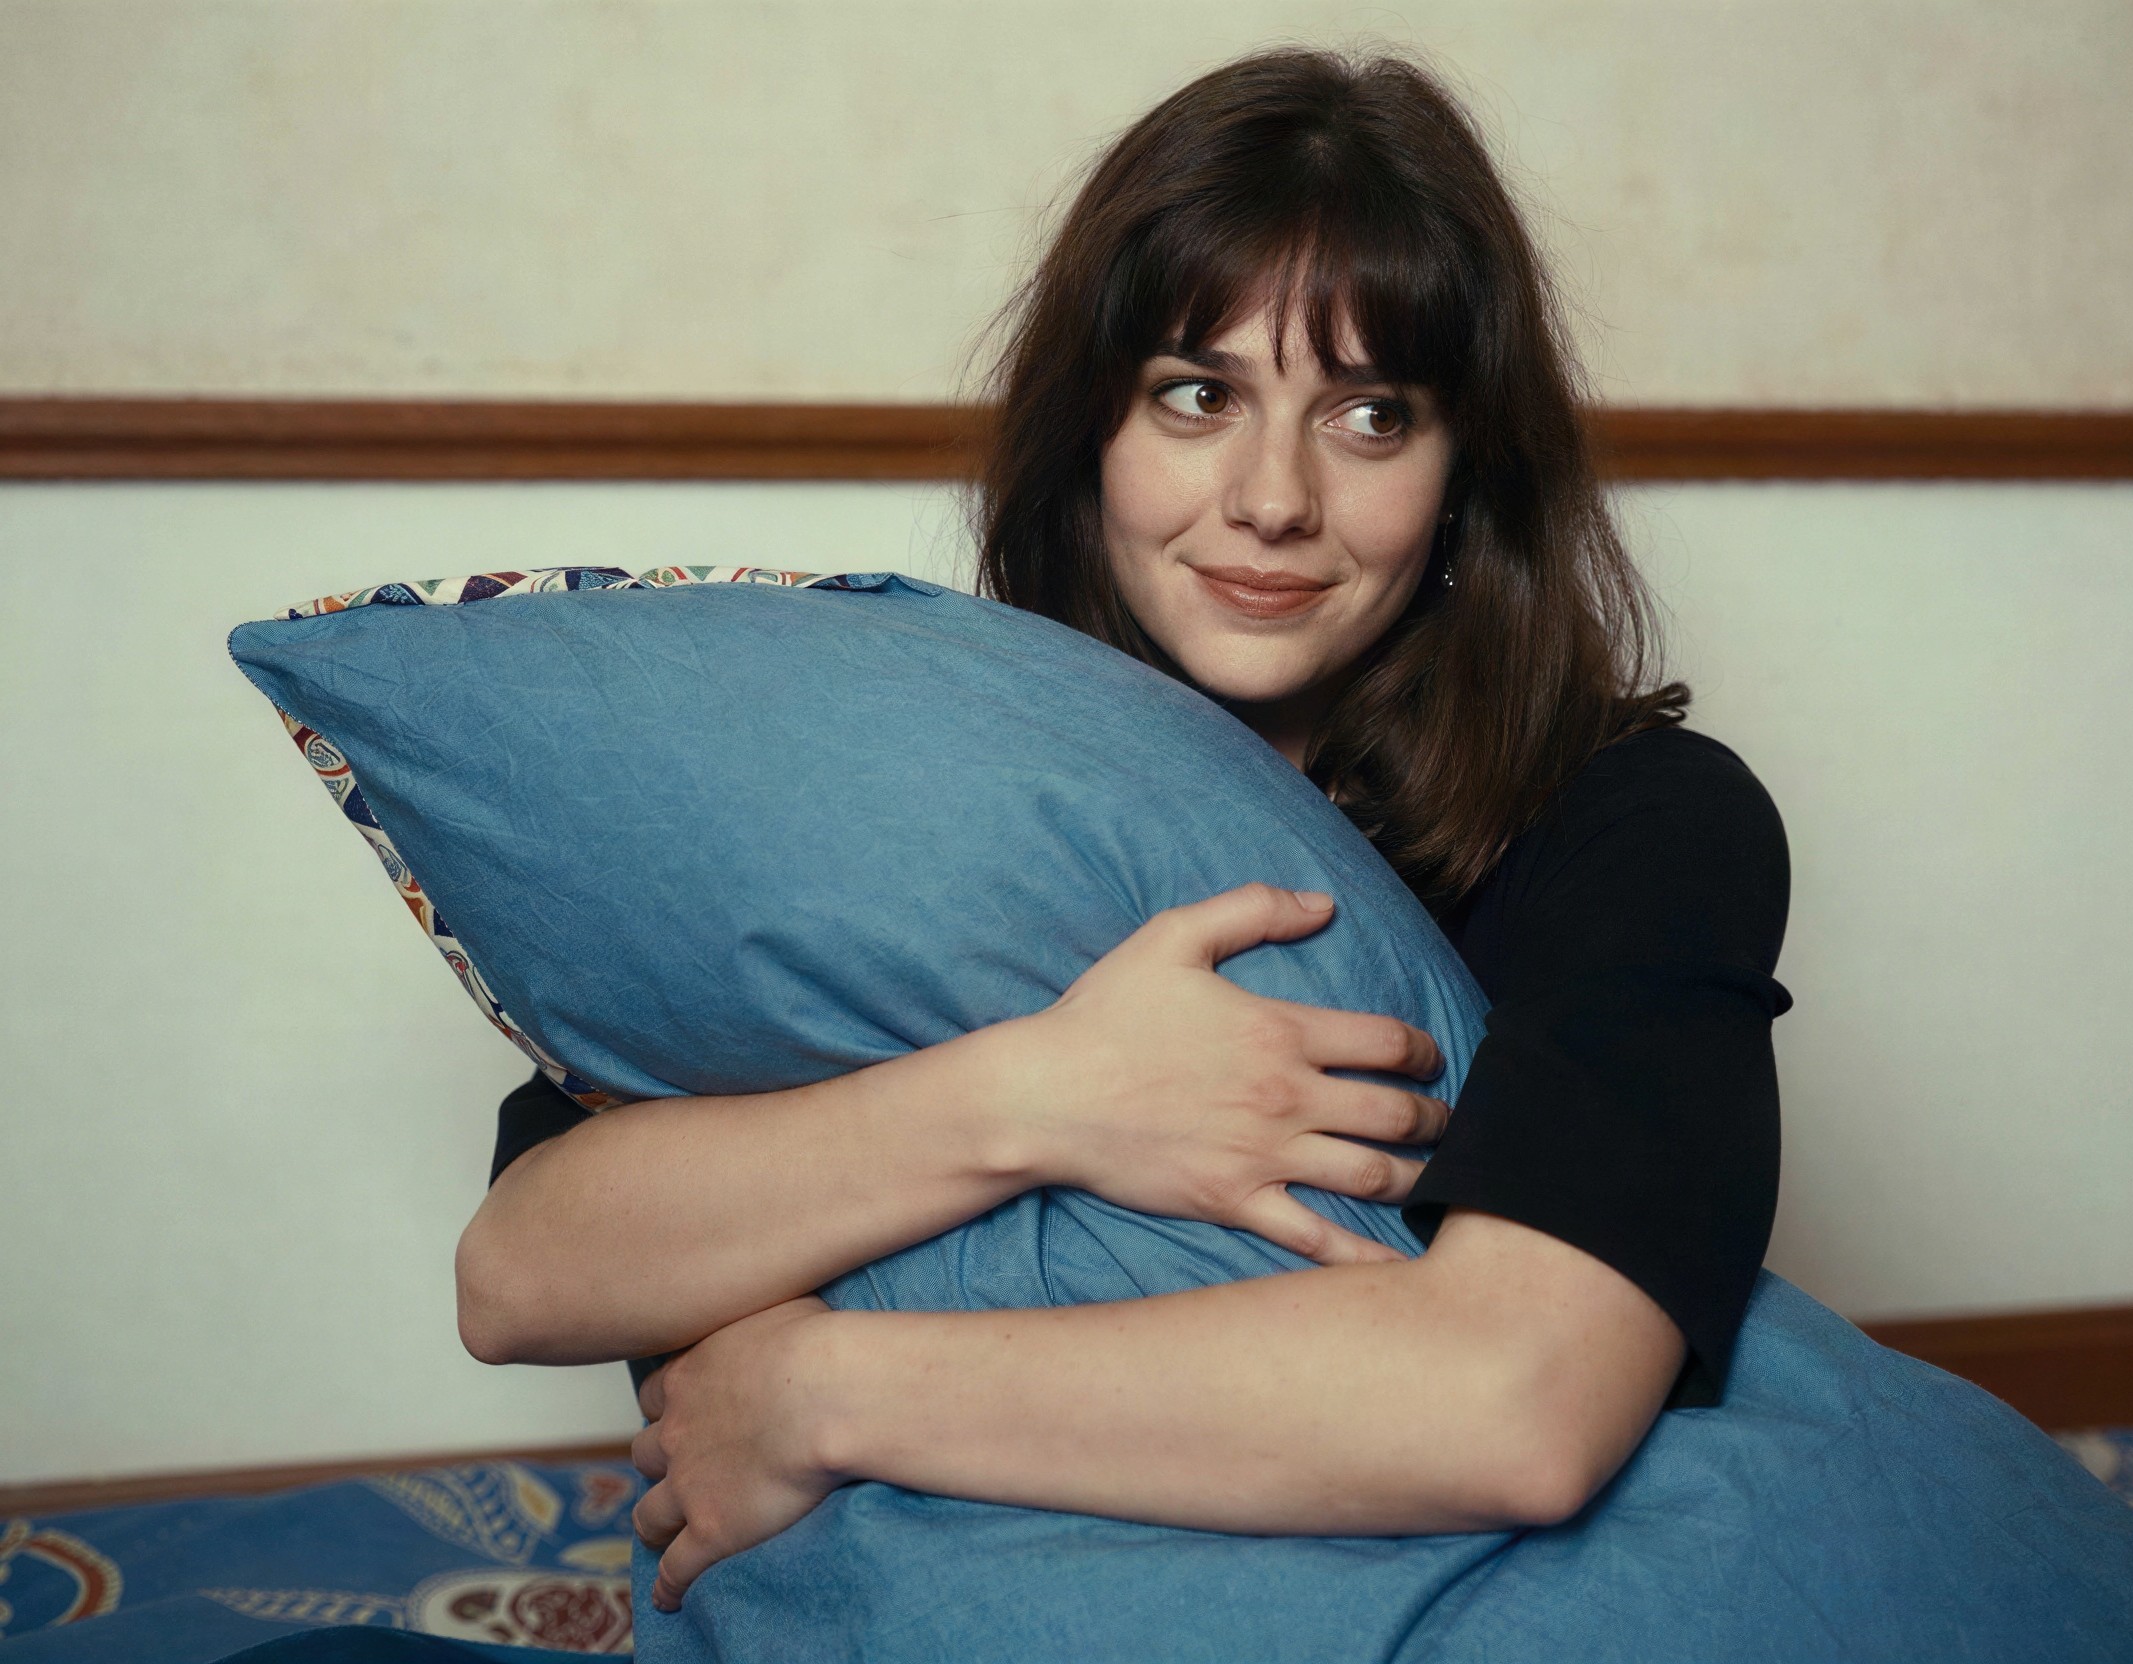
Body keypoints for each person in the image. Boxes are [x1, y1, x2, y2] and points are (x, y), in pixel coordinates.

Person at [455, 48, 1789, 1615]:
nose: (1274, 498)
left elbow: (1520, 1405)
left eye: (1370, 415)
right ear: (1089, 432)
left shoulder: (1637, 821)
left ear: (1464, 474)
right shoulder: (915, 782)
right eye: (1198, 396)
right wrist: (1049, 1097)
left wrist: (820, 1394)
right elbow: (519, 1277)